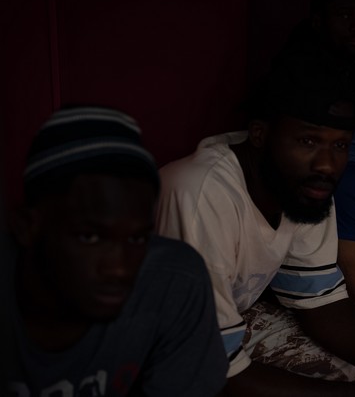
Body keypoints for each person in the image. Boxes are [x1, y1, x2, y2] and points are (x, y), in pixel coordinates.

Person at [156, 57, 355, 396]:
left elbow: (320, 303)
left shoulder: (304, 187)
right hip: (159, 348)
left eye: (340, 145)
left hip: (231, 321)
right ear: (260, 134)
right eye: (308, 141)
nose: (327, 164)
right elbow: (210, 365)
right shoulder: (201, 194)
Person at [5, 107, 228, 396]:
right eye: (90, 237)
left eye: (137, 238)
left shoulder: (174, 282)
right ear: (26, 227)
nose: (119, 268)